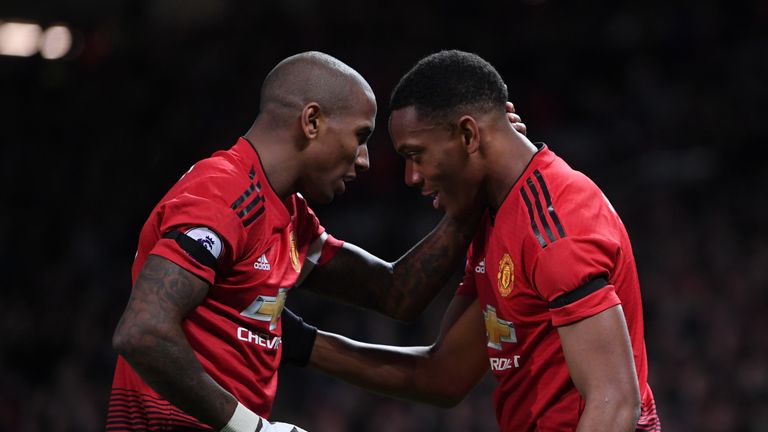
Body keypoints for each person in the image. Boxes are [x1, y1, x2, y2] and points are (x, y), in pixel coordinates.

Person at [107, 51, 530, 432]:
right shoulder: (222, 193)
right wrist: (252, 429)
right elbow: (143, 332)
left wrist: (474, 188)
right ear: (311, 122)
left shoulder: (288, 215)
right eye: (360, 136)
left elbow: (395, 292)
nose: (364, 160)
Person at [283, 50, 661, 431]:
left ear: (468, 134)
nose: (411, 176)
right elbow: (444, 374)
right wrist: (301, 342)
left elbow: (614, 404)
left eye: (416, 154)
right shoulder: (496, 218)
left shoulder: (556, 221)